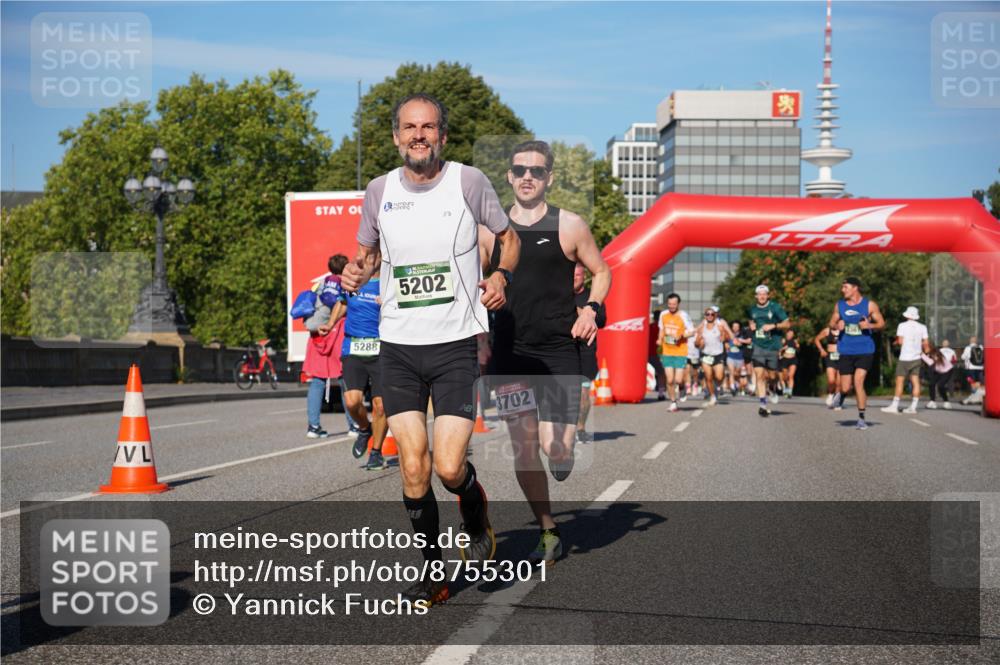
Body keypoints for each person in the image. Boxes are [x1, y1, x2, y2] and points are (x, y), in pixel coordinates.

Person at [340, 93, 521, 606]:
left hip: (455, 345)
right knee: (413, 466)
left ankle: (474, 505)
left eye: (428, 127)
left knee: (447, 468)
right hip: (398, 348)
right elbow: (368, 256)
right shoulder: (379, 191)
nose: (418, 135)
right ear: (396, 136)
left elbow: (509, 240)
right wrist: (357, 272)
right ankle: (433, 572)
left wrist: (500, 276)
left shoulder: (469, 182)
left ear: (442, 135)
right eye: (409, 127)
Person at [482, 140, 610, 566]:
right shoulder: (490, 230)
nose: (527, 177)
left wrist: (590, 309)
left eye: (536, 171)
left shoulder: (569, 225)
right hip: (510, 353)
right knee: (524, 447)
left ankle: (564, 451)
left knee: (555, 448)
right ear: (509, 176)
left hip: (557, 352)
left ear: (549, 178)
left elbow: (602, 271)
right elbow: (468, 279)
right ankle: (548, 529)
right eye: (520, 170)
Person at [340, 265, 389, 468]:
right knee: (352, 402)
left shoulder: (388, 282)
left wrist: (388, 304)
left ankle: (376, 452)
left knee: (381, 406)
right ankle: (364, 428)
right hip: (353, 346)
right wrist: (330, 323)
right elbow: (342, 303)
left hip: (381, 348)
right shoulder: (352, 279)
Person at [829, 277, 886, 430]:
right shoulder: (840, 305)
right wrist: (837, 324)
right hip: (846, 350)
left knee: (858, 382)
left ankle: (861, 418)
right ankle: (841, 394)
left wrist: (869, 325)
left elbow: (881, 324)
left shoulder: (869, 305)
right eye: (842, 287)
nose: (842, 290)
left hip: (865, 350)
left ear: (855, 288)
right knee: (845, 387)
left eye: (845, 287)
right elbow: (831, 322)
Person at [303, 255, 348, 438]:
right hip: (336, 335)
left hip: (317, 338)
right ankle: (355, 426)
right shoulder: (345, 285)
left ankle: (313, 427)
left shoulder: (318, 286)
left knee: (317, 382)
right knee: (346, 380)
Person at [573, 263, 607, 443]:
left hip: (585, 352)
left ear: (584, 276)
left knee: (583, 395)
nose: (574, 278)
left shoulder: (592, 297)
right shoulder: (559, 294)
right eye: (571, 275)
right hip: (561, 350)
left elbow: (601, 321)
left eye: (577, 275)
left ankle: (580, 428)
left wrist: (581, 312)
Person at [747, 285, 789, 417]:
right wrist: (751, 325)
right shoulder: (752, 309)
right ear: (756, 296)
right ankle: (763, 406)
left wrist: (774, 325)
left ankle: (772, 388)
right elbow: (751, 320)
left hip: (772, 346)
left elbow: (787, 323)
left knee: (772, 376)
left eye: (764, 294)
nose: (762, 296)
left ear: (768, 295)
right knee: (759, 376)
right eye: (759, 294)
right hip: (758, 346)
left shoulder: (775, 307)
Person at [881, 306, 929, 414]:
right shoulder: (923, 327)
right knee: (915, 381)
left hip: (904, 357)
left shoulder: (902, 325)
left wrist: (896, 342)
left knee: (900, 381)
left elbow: (900, 341)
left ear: (907, 315)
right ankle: (913, 407)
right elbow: (926, 344)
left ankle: (895, 405)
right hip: (917, 357)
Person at [658, 293, 693, 412]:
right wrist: (659, 339)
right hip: (667, 351)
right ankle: (673, 402)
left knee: (678, 380)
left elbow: (692, 331)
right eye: (669, 304)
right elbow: (661, 329)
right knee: (669, 380)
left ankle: (682, 387)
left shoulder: (684, 316)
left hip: (680, 352)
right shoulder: (663, 314)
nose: (671, 306)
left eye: (674, 304)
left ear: (678, 304)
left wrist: (682, 335)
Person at [694, 306, 731, 406]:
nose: (710, 316)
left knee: (719, 377)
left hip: (718, 354)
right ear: (705, 316)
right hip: (706, 355)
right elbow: (696, 344)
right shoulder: (702, 328)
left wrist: (724, 335)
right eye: (708, 314)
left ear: (715, 315)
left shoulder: (719, 325)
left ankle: (717, 386)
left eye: (712, 314)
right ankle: (712, 396)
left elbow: (727, 338)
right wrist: (699, 341)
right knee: (708, 376)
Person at [812, 324, 842, 406]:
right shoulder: (827, 331)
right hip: (830, 357)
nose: (835, 324)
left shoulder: (843, 330)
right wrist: (821, 350)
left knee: (839, 383)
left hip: (842, 357)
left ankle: (836, 401)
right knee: (831, 380)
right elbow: (817, 339)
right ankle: (831, 394)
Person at [923, 340, 957, 409]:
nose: (924, 348)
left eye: (926, 347)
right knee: (931, 383)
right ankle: (932, 401)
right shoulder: (929, 354)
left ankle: (947, 402)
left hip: (947, 370)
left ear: (930, 347)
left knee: (941, 385)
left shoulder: (935, 353)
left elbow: (931, 363)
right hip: (938, 371)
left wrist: (921, 354)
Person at [960, 335, 986, 405]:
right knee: (978, 382)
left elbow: (963, 357)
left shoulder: (968, 348)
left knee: (971, 381)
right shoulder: (981, 347)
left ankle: (973, 396)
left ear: (970, 340)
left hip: (970, 368)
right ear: (976, 341)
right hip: (980, 368)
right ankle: (978, 397)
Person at [648, 309, 667, 401]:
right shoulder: (662, 329)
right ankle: (661, 393)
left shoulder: (649, 327)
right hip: (656, 354)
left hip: (645, 353)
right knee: (661, 373)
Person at [778, 329, 800, 398]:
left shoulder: (795, 341)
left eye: (792, 334)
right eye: (789, 333)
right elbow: (778, 350)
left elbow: (798, 350)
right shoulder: (783, 341)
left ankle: (789, 392)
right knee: (785, 377)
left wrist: (798, 346)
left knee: (791, 376)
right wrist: (783, 348)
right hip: (785, 359)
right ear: (786, 334)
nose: (790, 335)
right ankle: (785, 388)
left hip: (793, 359)